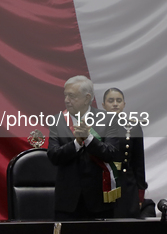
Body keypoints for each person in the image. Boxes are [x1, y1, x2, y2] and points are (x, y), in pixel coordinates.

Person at [47, 76, 122, 220]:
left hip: (99, 201)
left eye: (72, 96)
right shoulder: (57, 120)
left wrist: (88, 139)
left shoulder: (108, 119)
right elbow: (53, 156)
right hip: (67, 202)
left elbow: (112, 153)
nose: (66, 100)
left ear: (87, 98)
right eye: (66, 95)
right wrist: (76, 143)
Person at [101, 87, 148, 218]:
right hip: (103, 183)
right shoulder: (96, 126)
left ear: (124, 104)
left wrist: (140, 192)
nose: (115, 103)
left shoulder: (133, 126)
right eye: (111, 100)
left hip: (127, 184)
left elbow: (139, 161)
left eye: (118, 100)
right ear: (103, 105)